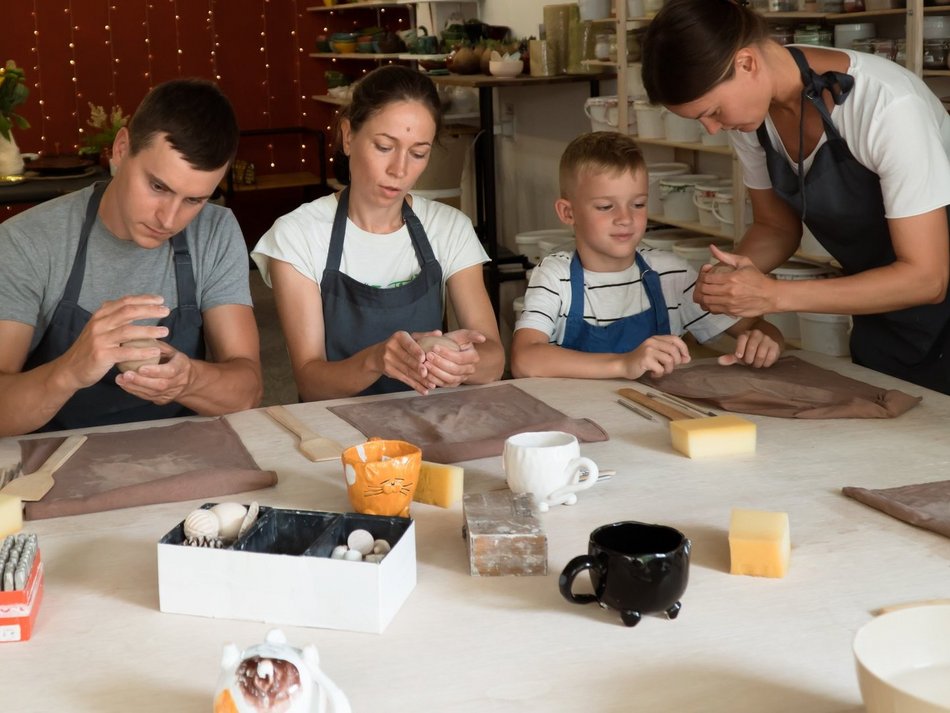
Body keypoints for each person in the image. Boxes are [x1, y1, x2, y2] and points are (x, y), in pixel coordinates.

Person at [641, 0, 950, 394]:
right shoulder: (752, 118)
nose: (713, 129)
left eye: (713, 111)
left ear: (747, 63)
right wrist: (725, 281)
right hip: (879, 307)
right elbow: (775, 227)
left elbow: (927, 278)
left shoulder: (886, 106)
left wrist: (773, 295)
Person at [0, 78, 263, 436]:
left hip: (183, 458)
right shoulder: (27, 240)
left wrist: (189, 378)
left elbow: (248, 390)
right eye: (158, 187)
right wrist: (71, 370)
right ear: (121, 149)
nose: (169, 220)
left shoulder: (215, 230)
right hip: (51, 465)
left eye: (194, 200)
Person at [251, 65, 504, 399]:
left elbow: (494, 360)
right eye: (385, 146)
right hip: (335, 433)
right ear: (348, 136)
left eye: (418, 153)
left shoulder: (448, 228)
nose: (400, 170)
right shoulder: (297, 236)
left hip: (428, 418)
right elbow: (311, 383)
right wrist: (376, 360)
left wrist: (458, 362)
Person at [510, 131, 784, 381]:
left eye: (638, 204)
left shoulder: (670, 274)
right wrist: (624, 364)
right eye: (606, 207)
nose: (625, 219)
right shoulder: (555, 277)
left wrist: (765, 341)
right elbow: (525, 359)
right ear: (568, 213)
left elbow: (757, 327)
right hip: (577, 423)